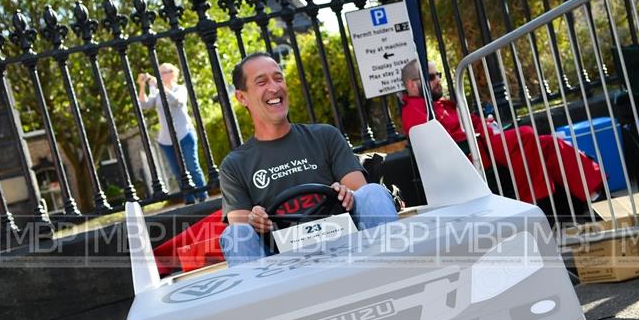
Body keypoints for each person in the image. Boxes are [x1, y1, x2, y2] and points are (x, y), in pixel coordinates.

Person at [218, 52, 399, 266]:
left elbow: (361, 193)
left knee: (372, 192)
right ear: (242, 97)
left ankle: (394, 274)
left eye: (278, 78)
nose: (274, 88)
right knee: (236, 234)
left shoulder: (325, 136)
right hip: (283, 264)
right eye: (262, 82)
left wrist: (347, 194)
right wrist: (255, 219)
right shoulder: (234, 165)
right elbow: (241, 226)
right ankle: (262, 298)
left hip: (347, 244)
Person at [400, 59, 604, 211]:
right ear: (411, 84)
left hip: (483, 142)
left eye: (439, 75)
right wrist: (480, 132)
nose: (438, 81)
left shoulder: (438, 104)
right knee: (526, 135)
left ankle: (590, 193)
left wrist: (485, 125)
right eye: (431, 77)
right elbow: (436, 145)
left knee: (548, 143)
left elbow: (471, 120)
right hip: (473, 154)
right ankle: (538, 203)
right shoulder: (414, 111)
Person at [138, 63, 208, 204]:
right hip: (166, 139)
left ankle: (203, 197)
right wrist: (142, 85)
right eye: (159, 72)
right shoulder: (156, 92)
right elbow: (145, 105)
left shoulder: (180, 88)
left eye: (164, 72)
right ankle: (189, 200)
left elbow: (177, 101)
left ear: (173, 73)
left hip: (185, 134)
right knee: (178, 173)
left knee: (192, 167)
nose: (161, 75)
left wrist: (159, 86)